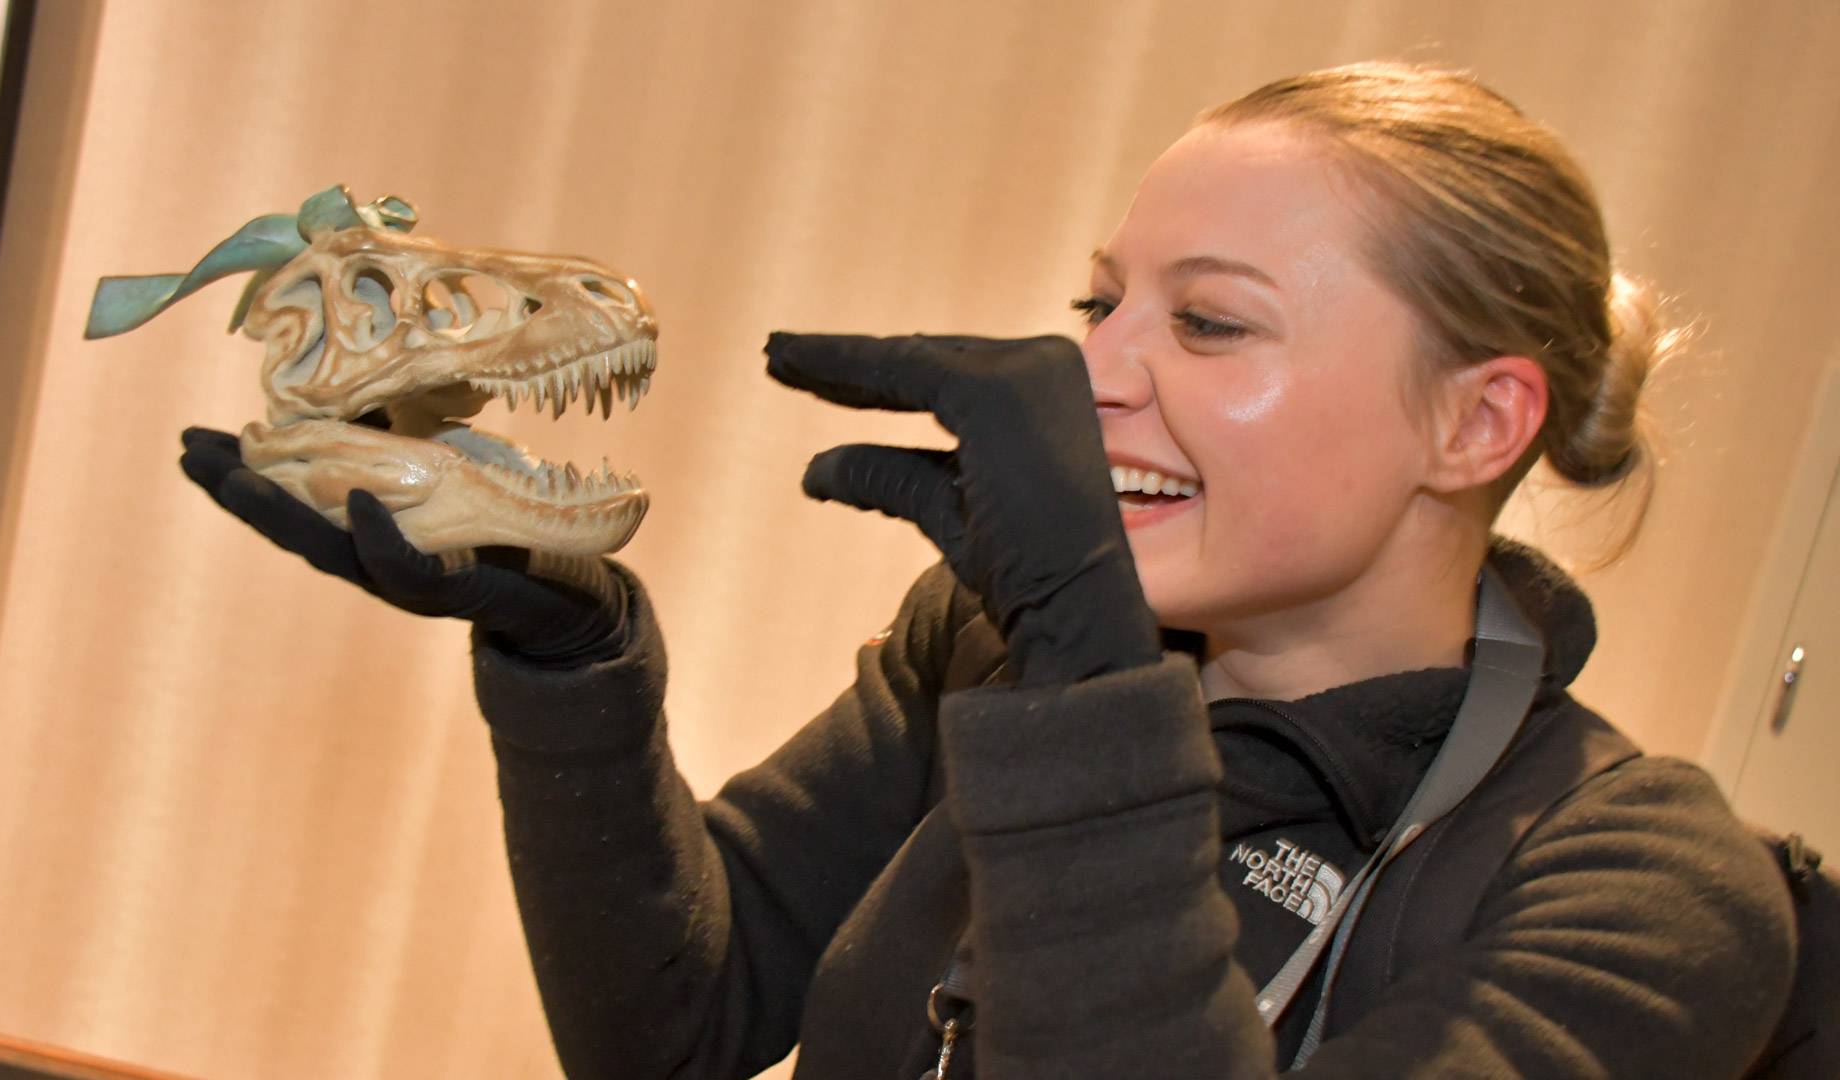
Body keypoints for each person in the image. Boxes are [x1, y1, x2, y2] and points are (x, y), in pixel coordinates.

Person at [182, 61, 1795, 1078]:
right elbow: (678, 1021)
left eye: (1209, 321)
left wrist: (1087, 678)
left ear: (1474, 421)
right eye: (1104, 303)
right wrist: (577, 670)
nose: (1092, 369)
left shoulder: (1640, 889)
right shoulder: (987, 644)